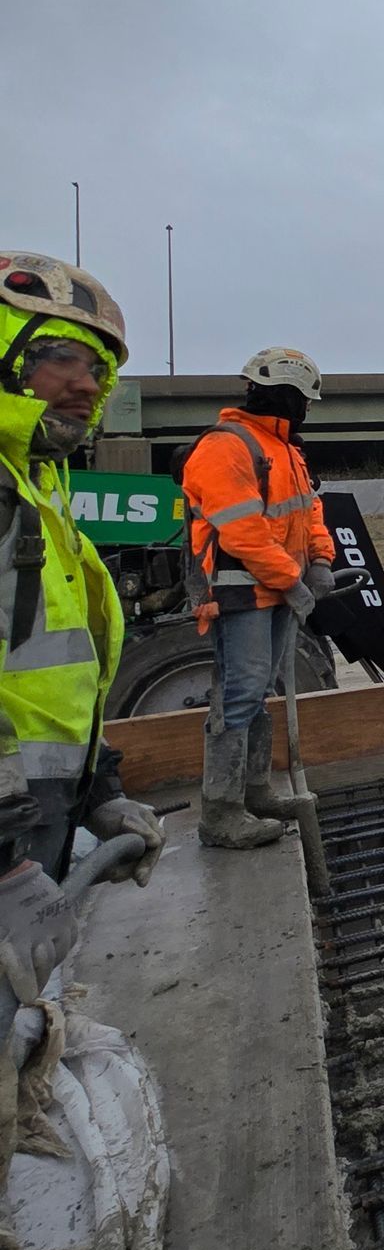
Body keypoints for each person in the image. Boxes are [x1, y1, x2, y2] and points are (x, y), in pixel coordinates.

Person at [0, 252, 165, 887]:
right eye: (61, 357)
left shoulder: (41, 492)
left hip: (36, 817)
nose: (90, 383)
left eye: (98, 369)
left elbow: (56, 684)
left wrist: (97, 793)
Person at [180, 347, 336, 849]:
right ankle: (221, 812)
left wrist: (321, 560)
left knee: (261, 691)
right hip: (240, 591)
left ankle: (255, 791)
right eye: (305, 401)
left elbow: (309, 510)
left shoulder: (286, 451)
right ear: (289, 397)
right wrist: (293, 580)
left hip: (275, 589)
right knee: (240, 694)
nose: (308, 411)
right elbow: (242, 533)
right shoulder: (227, 447)